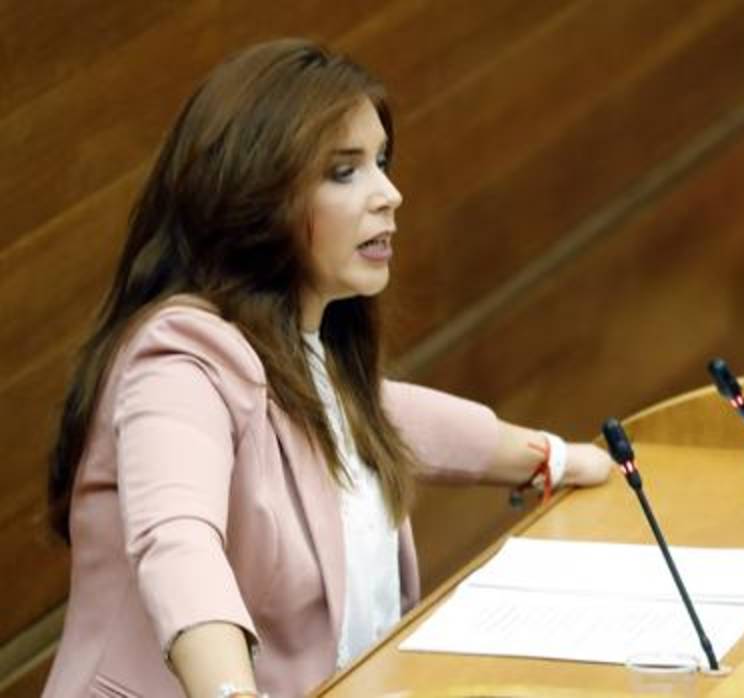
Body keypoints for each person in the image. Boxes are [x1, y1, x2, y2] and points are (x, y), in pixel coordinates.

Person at [41, 38, 612, 698]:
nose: (390, 194)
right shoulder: (178, 364)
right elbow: (179, 545)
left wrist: (556, 459)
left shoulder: (299, 357)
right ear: (255, 197)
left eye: (382, 162)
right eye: (344, 172)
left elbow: (382, 415)